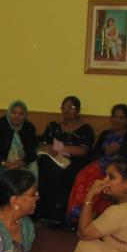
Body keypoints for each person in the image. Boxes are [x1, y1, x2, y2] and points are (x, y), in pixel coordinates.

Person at [66, 103, 127, 227]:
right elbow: (95, 153)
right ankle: (79, 213)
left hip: (120, 166)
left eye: (121, 117)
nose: (117, 120)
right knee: (83, 175)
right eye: (115, 117)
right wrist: (105, 151)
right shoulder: (105, 134)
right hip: (101, 163)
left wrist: (119, 149)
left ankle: (96, 215)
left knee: (104, 180)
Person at [34, 95, 94, 224]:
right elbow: (42, 145)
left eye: (71, 107)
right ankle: (44, 212)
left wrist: (57, 147)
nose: (67, 110)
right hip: (50, 160)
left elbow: (82, 151)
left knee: (59, 172)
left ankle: (56, 214)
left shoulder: (85, 129)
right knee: (44, 164)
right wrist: (54, 150)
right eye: (65, 107)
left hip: (74, 163)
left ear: (78, 111)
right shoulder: (52, 126)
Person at [0, 100, 38, 179]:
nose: (16, 116)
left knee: (34, 166)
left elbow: (32, 152)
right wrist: (5, 163)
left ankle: (32, 187)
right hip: (2, 162)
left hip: (22, 163)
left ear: (25, 116)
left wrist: (20, 163)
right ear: (9, 112)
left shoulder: (29, 128)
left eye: (20, 114)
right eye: (14, 112)